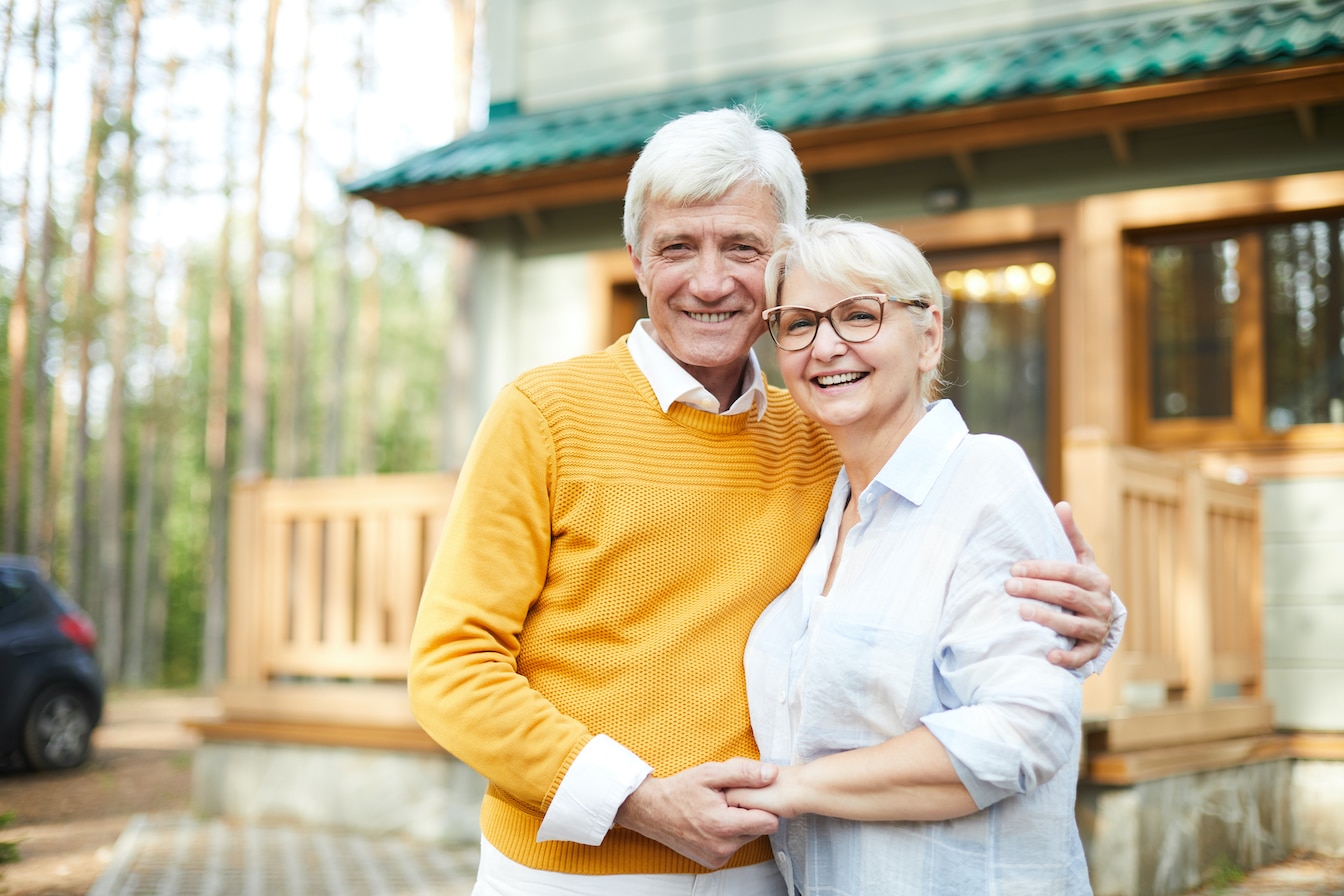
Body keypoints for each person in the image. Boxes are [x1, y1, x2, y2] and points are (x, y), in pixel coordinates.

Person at [407, 106, 1123, 895]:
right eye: (677, 246)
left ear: (783, 261)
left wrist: (1092, 618)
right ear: (639, 262)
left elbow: (951, 547)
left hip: (769, 868)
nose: (709, 282)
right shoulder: (544, 414)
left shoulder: (823, 431)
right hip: (572, 871)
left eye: (742, 248)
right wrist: (636, 801)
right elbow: (452, 669)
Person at [728, 217, 1092, 893]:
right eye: (800, 323)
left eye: (859, 315)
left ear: (929, 337)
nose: (825, 345)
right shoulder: (822, 506)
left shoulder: (985, 478)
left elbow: (1027, 727)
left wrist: (795, 787)